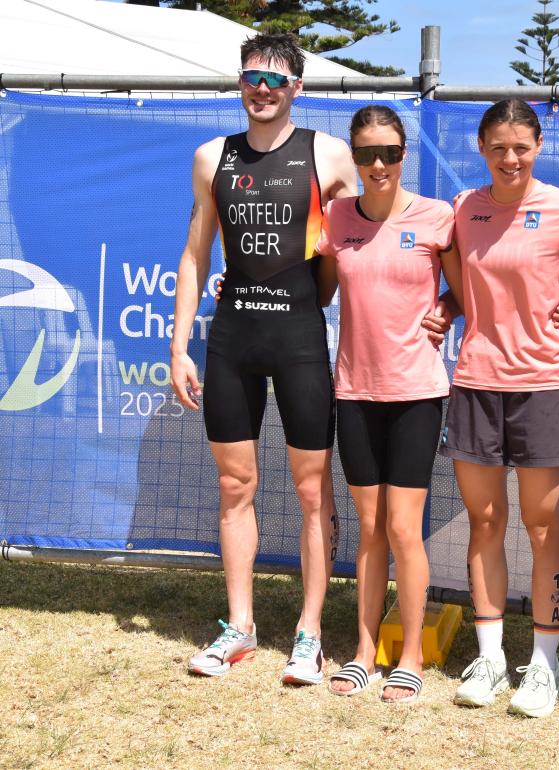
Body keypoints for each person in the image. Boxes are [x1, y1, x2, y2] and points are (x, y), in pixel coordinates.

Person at [170, 33, 356, 683]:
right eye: (253, 77)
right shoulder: (211, 157)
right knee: (234, 486)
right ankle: (240, 627)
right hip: (232, 341)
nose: (263, 89)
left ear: (297, 88)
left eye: (276, 80)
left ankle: (310, 633)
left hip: (300, 338)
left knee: (312, 492)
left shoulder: (329, 155)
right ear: (240, 83)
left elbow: (358, 242)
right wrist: (179, 346)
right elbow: (195, 255)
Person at [441, 99, 559, 718]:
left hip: (542, 389)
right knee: (484, 522)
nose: (509, 158)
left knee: (543, 529)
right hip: (475, 385)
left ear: (539, 146)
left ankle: (544, 664)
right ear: (481, 148)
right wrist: (447, 306)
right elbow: (458, 284)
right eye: (497, 148)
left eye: (520, 147)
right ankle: (489, 658)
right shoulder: (464, 209)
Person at [316, 105, 460, 703]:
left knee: (403, 527)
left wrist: (446, 309)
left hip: (416, 395)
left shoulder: (436, 217)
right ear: (354, 156)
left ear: (404, 155)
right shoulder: (337, 217)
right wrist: (238, 285)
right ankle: (362, 652)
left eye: (390, 153)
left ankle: (410, 659)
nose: (379, 165)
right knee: (370, 528)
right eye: (367, 154)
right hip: (354, 392)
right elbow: (315, 290)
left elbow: (466, 290)